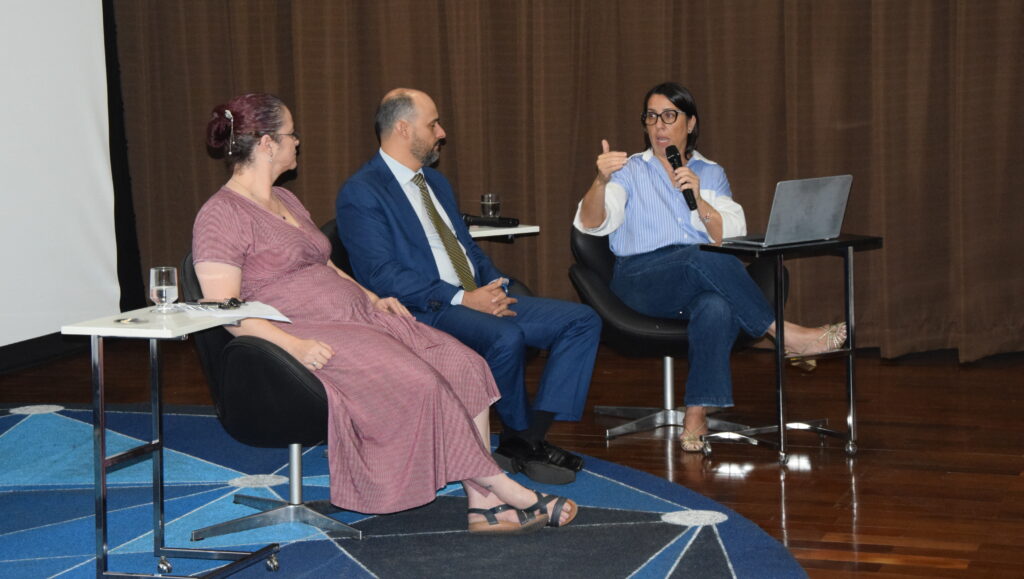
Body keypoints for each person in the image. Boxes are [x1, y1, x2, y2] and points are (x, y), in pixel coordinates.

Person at [192, 92, 577, 533]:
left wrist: (372, 297)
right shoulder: (220, 214)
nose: (297, 141)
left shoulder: (286, 200)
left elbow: (326, 265)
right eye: (291, 134)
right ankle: (504, 490)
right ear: (266, 144)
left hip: (360, 315)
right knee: (421, 382)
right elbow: (223, 310)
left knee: (465, 365)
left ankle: (482, 506)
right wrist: (292, 345)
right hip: (304, 333)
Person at [336, 88, 601, 485]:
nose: (442, 133)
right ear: (403, 129)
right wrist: (463, 298)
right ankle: (522, 440)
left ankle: (525, 438)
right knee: (505, 337)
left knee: (581, 321)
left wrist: (494, 285)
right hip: (424, 310)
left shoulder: (435, 182)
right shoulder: (362, 191)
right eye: (433, 124)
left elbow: (466, 247)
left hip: (473, 297)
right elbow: (381, 275)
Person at [574, 82, 847, 453]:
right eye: (651, 116)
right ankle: (785, 335)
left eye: (669, 116)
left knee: (715, 304)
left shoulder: (710, 172)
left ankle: (696, 414)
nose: (659, 125)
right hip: (640, 279)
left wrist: (698, 197)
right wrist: (600, 180)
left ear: (690, 124)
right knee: (698, 257)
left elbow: (726, 236)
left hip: (698, 275)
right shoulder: (629, 170)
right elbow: (592, 224)